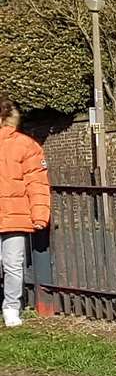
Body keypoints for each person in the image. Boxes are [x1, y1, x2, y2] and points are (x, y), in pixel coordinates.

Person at [0, 98, 50, 328]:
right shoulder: (27, 144)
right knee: (13, 264)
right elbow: (37, 183)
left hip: (14, 215)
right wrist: (39, 214)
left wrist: (39, 214)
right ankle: (11, 307)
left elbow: (35, 182)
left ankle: (10, 307)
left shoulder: (25, 145)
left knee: (12, 264)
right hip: (16, 215)